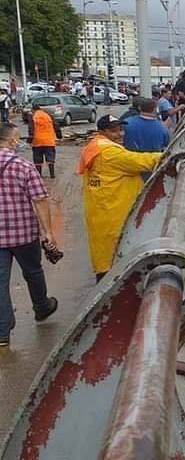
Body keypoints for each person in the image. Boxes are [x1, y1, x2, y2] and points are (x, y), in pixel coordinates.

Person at [77, 115, 163, 281]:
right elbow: (141, 161)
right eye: (113, 131)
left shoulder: (96, 146)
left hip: (104, 211)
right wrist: (171, 154)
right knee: (113, 264)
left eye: (121, 129)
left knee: (106, 259)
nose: (120, 134)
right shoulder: (108, 151)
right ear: (101, 131)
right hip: (113, 214)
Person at [0, 122, 59, 346]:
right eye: (18, 139)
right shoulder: (23, 166)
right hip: (23, 233)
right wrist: (48, 232)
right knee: (33, 272)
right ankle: (42, 308)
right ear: (13, 141)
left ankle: (2, 332)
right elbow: (40, 200)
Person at [29, 104, 59, 179]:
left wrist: (30, 139)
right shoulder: (48, 115)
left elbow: (31, 129)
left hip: (37, 141)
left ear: (33, 110)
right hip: (49, 140)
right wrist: (59, 135)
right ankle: (52, 175)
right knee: (50, 158)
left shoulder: (33, 116)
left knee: (37, 158)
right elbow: (56, 125)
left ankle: (39, 175)